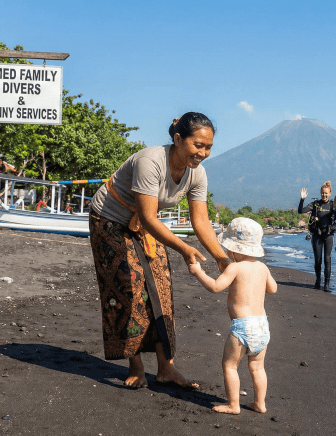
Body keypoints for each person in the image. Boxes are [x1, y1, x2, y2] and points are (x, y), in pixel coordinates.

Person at [88, 112, 230, 389]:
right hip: (109, 218)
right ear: (178, 139)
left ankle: (166, 369)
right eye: (197, 145)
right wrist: (184, 249)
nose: (203, 153)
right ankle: (136, 367)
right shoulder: (150, 161)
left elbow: (201, 221)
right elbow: (150, 217)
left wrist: (221, 258)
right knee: (129, 287)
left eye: (208, 147)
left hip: (143, 223)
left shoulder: (197, 174)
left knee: (161, 288)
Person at [189, 217, 277, 415]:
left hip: (243, 327)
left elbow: (215, 287)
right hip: (262, 327)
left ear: (235, 250)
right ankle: (260, 403)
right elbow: (273, 289)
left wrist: (198, 272)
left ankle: (233, 405)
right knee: (257, 367)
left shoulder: (235, 267)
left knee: (230, 366)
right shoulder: (263, 268)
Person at [297, 181, 336, 292]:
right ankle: (318, 281)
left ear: (330, 193)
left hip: (329, 236)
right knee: (318, 260)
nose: (324, 195)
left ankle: (326, 284)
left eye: (326, 193)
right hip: (317, 235)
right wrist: (302, 199)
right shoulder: (315, 204)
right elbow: (300, 211)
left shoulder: (333, 205)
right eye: (322, 193)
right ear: (320, 193)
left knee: (327, 260)